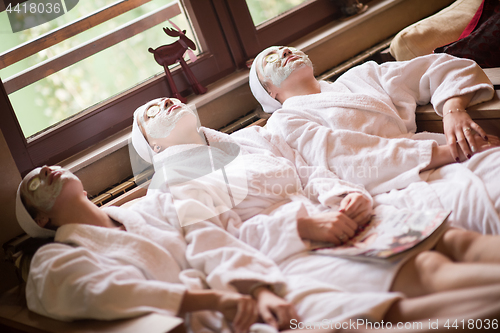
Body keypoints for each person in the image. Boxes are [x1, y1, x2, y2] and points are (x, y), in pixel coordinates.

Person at [130, 97, 500, 326]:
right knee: (428, 269)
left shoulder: (252, 141)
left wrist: (345, 196)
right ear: (153, 146)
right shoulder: (172, 185)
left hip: (340, 215)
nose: (164, 104)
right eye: (150, 112)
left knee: (455, 239)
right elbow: (219, 241)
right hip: (297, 250)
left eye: (167, 99)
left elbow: (308, 173)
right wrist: (303, 227)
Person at [16, 165, 298, 332]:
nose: (44, 170)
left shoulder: (155, 205)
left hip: (242, 300)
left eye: (51, 167)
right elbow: (101, 292)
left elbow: (211, 239)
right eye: (35, 183)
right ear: (41, 219)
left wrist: (259, 291)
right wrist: (213, 301)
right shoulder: (53, 258)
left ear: (84, 188)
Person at [249, 46, 500, 234]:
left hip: (451, 151)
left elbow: (441, 67)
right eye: (270, 59)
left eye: (287, 48)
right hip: (393, 186)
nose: (283, 51)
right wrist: (451, 152)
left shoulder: (361, 76)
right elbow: (349, 160)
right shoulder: (284, 121)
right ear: (270, 92)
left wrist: (453, 111)